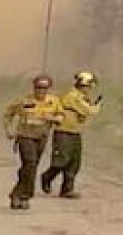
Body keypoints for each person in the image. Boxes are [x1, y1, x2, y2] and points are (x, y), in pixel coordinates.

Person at [2, 74, 64, 210]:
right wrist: (9, 130)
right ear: (34, 87)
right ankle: (25, 195)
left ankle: (17, 193)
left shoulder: (54, 102)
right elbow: (7, 114)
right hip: (25, 137)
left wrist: (55, 118)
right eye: (38, 88)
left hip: (41, 138)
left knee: (30, 167)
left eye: (44, 88)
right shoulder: (24, 101)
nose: (41, 91)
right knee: (30, 163)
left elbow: (61, 115)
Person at [40, 70, 102, 198]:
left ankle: (67, 189)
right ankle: (47, 177)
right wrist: (97, 106)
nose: (89, 89)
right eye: (88, 86)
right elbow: (89, 111)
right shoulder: (72, 97)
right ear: (83, 85)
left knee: (74, 162)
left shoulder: (80, 97)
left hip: (75, 132)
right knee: (61, 161)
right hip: (64, 132)